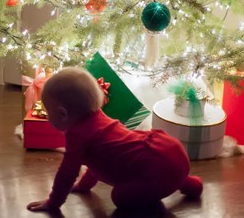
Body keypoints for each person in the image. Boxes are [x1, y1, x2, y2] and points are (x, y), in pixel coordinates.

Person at [27, 67, 203, 212]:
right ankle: (188, 183)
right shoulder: (97, 117)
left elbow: (67, 173)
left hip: (156, 168)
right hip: (171, 150)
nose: (48, 118)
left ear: (63, 113)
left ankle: (172, 186)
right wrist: (84, 186)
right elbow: (97, 159)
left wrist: (53, 203)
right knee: (171, 172)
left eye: (49, 112)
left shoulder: (77, 135)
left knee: (120, 197)